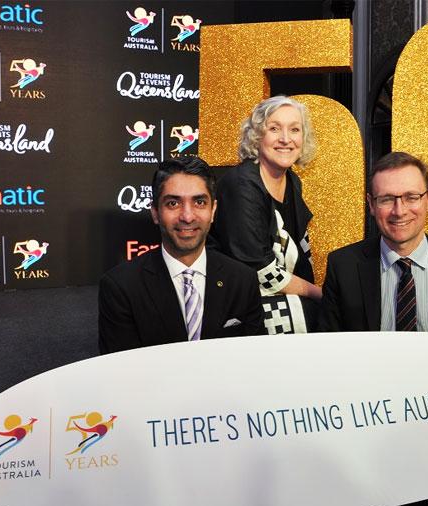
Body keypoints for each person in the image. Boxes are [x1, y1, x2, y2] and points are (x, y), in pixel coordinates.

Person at [98, 157, 263, 354]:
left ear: (213, 210)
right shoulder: (120, 287)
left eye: (199, 202)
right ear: (155, 213)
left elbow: (250, 363)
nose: (187, 216)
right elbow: (119, 374)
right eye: (173, 203)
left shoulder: (243, 280)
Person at [319, 151, 428, 333]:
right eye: (386, 199)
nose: (399, 211)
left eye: (411, 197)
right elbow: (331, 347)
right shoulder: (343, 266)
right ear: (371, 205)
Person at [209, 96, 321, 334]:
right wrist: (318, 293)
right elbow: (258, 270)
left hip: (275, 292)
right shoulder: (242, 185)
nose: (285, 139)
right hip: (235, 301)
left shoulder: (293, 181)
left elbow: (300, 257)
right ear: (257, 136)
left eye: (294, 129)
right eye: (274, 128)